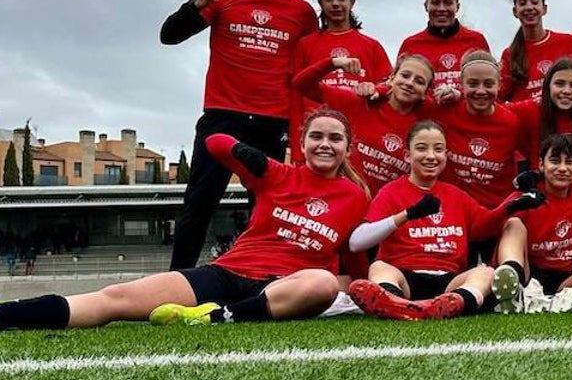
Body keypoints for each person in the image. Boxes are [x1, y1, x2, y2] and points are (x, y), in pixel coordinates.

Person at [0, 109, 369, 329]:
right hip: (227, 273)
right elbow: (216, 142)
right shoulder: (277, 174)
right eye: (316, 136)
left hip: (284, 288)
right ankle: (7, 315)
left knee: (322, 283)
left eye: (334, 138)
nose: (325, 144)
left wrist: (367, 291)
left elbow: (354, 259)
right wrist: (252, 158)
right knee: (115, 297)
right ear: (300, 143)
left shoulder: (355, 197)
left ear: (347, 148)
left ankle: (218, 318)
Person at [159, 0, 318, 270]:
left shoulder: (303, 13)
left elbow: (309, 68)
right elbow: (168, 36)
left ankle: (259, 276)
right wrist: (192, 6)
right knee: (199, 202)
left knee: (264, 207)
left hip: (270, 122)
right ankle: (176, 281)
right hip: (222, 116)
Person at [343, 121, 514, 321]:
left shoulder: (455, 194)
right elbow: (356, 242)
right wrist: (406, 214)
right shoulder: (391, 192)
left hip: (447, 282)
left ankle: (454, 303)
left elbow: (486, 225)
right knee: (378, 267)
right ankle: (396, 304)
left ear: (446, 156)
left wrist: (514, 203)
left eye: (438, 149)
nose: (431, 156)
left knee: (485, 273)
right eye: (421, 148)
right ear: (407, 155)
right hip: (403, 277)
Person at [490, 135, 572, 314]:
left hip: (563, 279)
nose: (562, 168)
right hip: (528, 273)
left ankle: (561, 300)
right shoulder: (529, 196)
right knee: (514, 224)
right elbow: (489, 227)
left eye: (570, 162)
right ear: (541, 165)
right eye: (554, 161)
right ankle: (515, 286)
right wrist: (508, 208)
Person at [293, 52, 433, 196]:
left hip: (382, 211)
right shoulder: (360, 102)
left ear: (425, 93)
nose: (409, 83)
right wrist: (333, 63)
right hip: (337, 198)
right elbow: (301, 84)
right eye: (405, 75)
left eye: (419, 81)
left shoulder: (424, 128)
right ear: (392, 78)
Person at [289, 0, 392, 159]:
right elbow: (296, 97)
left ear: (352, 2)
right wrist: (297, 149)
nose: (335, 3)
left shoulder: (372, 46)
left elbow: (389, 89)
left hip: (356, 142)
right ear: (320, 3)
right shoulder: (305, 45)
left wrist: (375, 89)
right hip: (317, 142)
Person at [435, 51, 522, 211]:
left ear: (499, 85)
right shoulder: (444, 110)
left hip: (495, 211)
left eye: (488, 84)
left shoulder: (511, 123)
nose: (481, 91)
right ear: (461, 84)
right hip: (450, 210)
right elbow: (408, 96)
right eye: (473, 84)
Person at [509, 57, 572, 174]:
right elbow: (494, 111)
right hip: (545, 188)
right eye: (559, 84)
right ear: (548, 86)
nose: (566, 90)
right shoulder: (531, 110)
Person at [397, 0, 491, 93]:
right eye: (435, 2)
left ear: (457, 7)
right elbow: (397, 88)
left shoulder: (476, 41)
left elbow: (489, 82)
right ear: (426, 6)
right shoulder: (411, 44)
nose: (441, 8)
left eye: (448, 3)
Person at [499, 0, 572, 103]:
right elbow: (499, 97)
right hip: (525, 120)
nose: (529, 7)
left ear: (544, 9)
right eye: (522, 3)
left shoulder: (566, 42)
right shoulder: (509, 54)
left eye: (535, 2)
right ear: (515, 11)